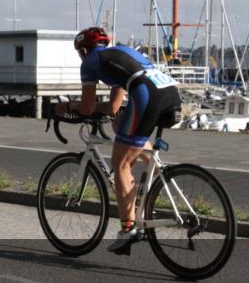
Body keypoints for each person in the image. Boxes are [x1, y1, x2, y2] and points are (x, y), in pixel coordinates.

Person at [55, 27, 181, 253]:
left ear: (84, 50)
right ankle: (153, 171)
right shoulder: (118, 55)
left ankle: (128, 229)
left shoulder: (90, 62)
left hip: (147, 94)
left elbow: (86, 106)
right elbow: (113, 107)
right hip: (168, 91)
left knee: (120, 164)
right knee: (119, 124)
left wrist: (68, 107)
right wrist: (93, 109)